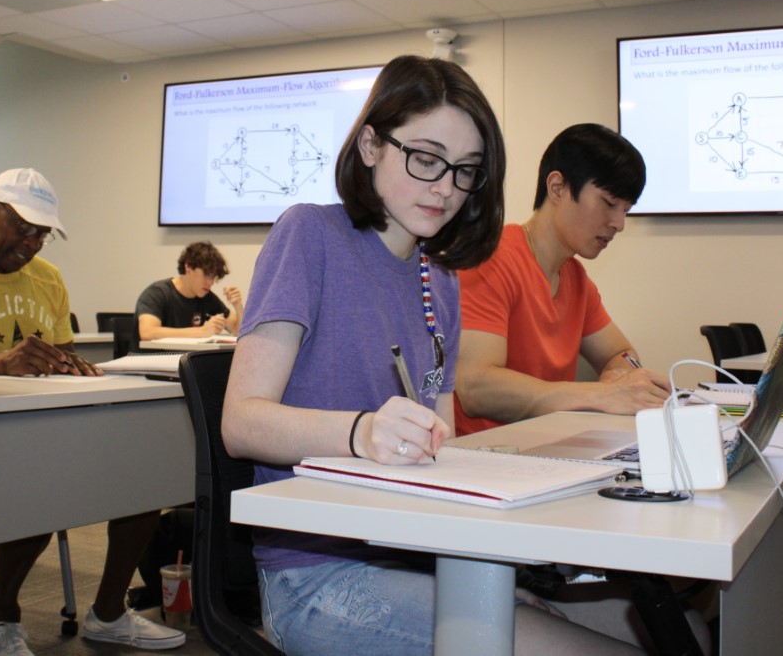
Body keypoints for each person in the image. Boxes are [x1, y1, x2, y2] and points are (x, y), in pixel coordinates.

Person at [221, 56, 652, 655]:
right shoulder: (309, 235)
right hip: (315, 573)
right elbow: (241, 423)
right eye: (425, 159)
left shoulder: (439, 277)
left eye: (466, 170)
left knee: (666, 631)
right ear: (371, 144)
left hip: (421, 553)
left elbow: (442, 442)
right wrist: (363, 433)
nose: (446, 187)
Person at [0, 168, 185, 655]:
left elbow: (61, 358)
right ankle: (0, 615)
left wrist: (73, 369)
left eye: (42, 235)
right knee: (40, 486)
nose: (33, 244)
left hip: (39, 431)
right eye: (23, 228)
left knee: (144, 482)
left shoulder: (48, 280)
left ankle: (110, 613)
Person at [454, 124, 671, 436]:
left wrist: (619, 378)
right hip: (485, 457)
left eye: (626, 210)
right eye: (609, 204)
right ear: (557, 187)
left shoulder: (576, 278)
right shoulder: (490, 259)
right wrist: (602, 396)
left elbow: (619, 354)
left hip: (544, 448)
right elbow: (475, 388)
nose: (619, 224)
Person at [135, 241, 242, 341]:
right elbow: (147, 333)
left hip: (182, 359)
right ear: (188, 267)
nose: (210, 283)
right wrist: (200, 331)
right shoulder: (157, 293)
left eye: (213, 277)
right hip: (148, 359)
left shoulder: (207, 297)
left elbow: (237, 331)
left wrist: (238, 306)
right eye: (206, 274)